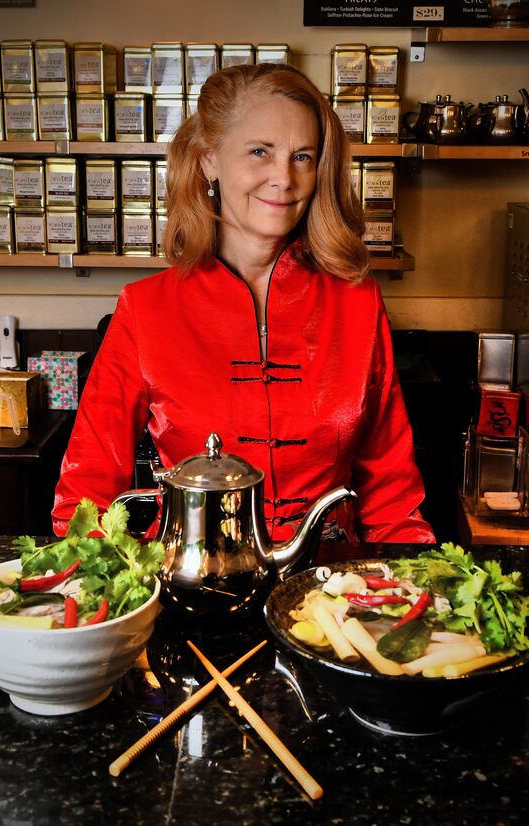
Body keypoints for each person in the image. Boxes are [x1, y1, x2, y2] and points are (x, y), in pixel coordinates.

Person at [52, 63, 435, 544]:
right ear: (209, 159)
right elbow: (83, 503)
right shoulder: (144, 309)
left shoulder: (357, 300)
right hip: (189, 586)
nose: (285, 178)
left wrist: (408, 596)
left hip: (329, 597)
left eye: (303, 156)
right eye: (260, 151)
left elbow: (392, 494)